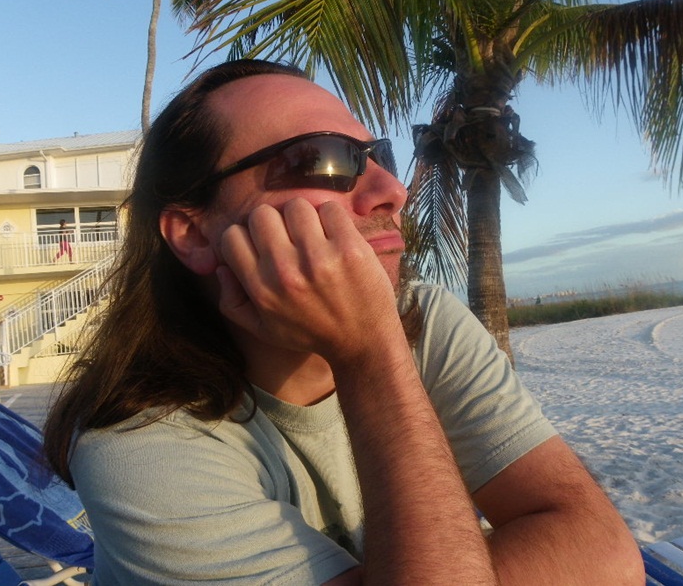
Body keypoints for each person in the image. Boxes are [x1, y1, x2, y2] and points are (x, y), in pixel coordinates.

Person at [43, 60, 643, 585]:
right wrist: (369, 353)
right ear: (194, 234)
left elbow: (607, 555)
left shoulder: (425, 319)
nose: (394, 190)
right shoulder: (144, 448)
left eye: (380, 156)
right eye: (324, 159)